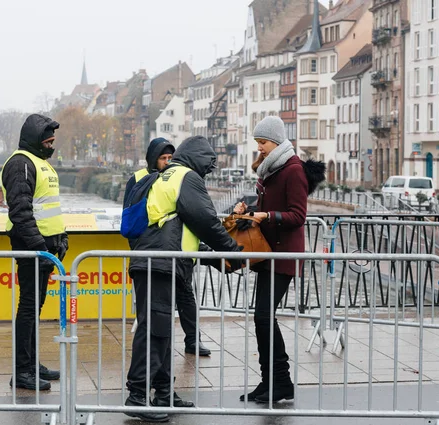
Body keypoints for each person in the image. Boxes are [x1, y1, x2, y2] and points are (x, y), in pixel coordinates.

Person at [125, 135, 243, 422]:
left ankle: (164, 393)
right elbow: (205, 220)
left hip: (158, 261)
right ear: (200, 159)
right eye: (208, 167)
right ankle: (137, 396)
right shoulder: (186, 177)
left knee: (160, 330)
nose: (207, 173)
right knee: (154, 331)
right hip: (160, 263)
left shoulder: (167, 175)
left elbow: (183, 229)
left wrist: (217, 259)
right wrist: (233, 251)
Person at [235, 116, 325, 404]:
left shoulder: (293, 170)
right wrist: (248, 207)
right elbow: (268, 205)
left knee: (263, 316)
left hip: (284, 254)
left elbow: (298, 216)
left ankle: (281, 382)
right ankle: (270, 382)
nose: (259, 148)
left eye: (262, 142)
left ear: (276, 141)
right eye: (258, 142)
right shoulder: (272, 169)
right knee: (261, 317)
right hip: (268, 252)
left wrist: (267, 216)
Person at [124, 137, 212, 357]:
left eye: (170, 158)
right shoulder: (138, 179)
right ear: (153, 158)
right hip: (153, 253)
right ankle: (157, 365)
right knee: (154, 313)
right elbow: (130, 217)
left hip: (179, 254)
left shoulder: (175, 176)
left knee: (186, 299)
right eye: (162, 158)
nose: (166, 161)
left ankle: (193, 340)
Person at [1, 114, 69, 391]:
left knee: (34, 307)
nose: (52, 146)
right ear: (35, 140)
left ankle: (31, 363)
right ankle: (22, 370)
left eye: (54, 141)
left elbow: (48, 207)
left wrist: (60, 239)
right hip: (32, 248)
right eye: (48, 141)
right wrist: (41, 248)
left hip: (44, 249)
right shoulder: (21, 164)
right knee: (28, 308)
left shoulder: (39, 164)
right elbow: (21, 211)